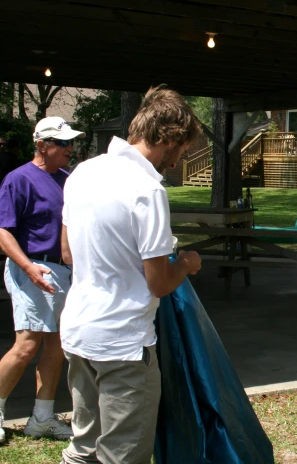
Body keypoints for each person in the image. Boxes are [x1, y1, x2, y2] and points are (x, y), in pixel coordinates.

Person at [59, 86, 203, 464]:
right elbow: (159, 282)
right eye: (183, 148)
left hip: (78, 330)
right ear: (169, 138)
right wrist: (185, 265)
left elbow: (67, 252)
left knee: (83, 448)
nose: (180, 158)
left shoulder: (82, 172)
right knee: (122, 455)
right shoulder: (147, 190)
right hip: (123, 342)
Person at [0, 117, 85, 444]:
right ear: (42, 145)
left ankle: (42, 419)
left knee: (56, 345)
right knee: (27, 344)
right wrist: (28, 268)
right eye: (63, 143)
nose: (70, 149)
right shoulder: (18, 179)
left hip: (62, 273)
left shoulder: (67, 180)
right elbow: (4, 231)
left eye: (71, 143)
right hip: (30, 269)